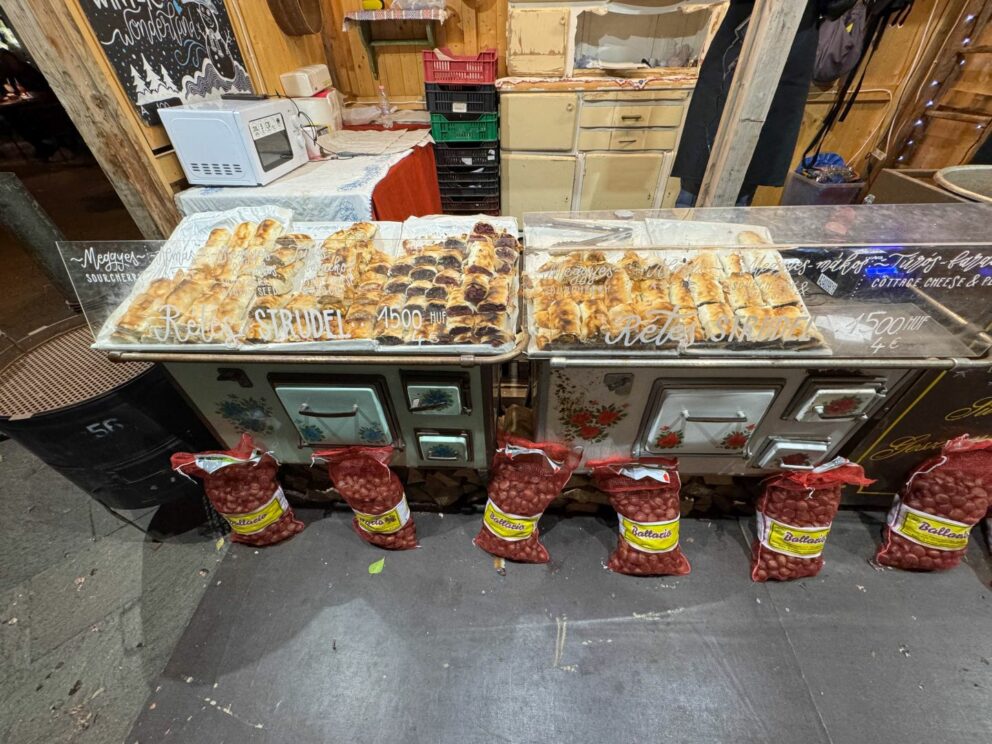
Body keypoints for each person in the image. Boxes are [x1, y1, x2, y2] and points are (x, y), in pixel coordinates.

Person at [672, 0, 820, 207]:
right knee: (694, 184)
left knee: (744, 181)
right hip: (733, 53)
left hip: (785, 63)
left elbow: (837, 6)